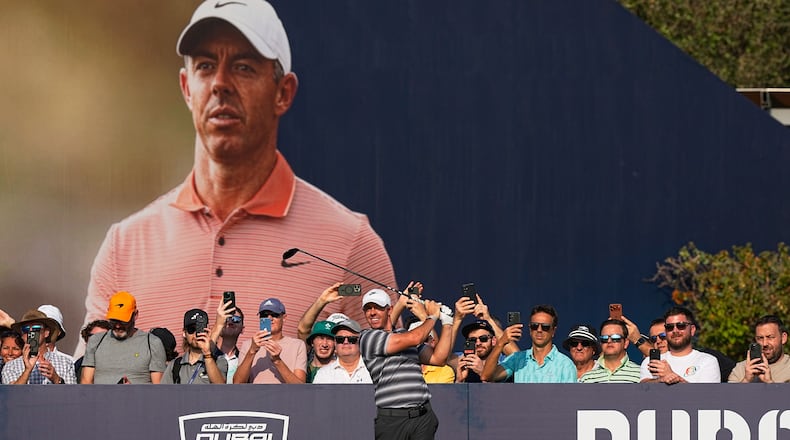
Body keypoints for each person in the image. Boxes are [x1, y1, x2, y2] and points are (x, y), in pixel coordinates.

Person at [76, 0, 397, 358]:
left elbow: (392, 384)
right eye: (205, 66)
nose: (220, 83)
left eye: (243, 67)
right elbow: (86, 389)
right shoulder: (124, 249)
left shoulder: (351, 247)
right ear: (186, 87)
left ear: (283, 93)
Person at [358, 287, 454, 439]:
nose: (372, 312)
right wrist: (432, 316)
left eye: (378, 308)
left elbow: (438, 359)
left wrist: (447, 323)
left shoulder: (404, 333)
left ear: (389, 310)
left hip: (422, 417)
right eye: (368, 309)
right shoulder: (367, 337)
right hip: (392, 421)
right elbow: (415, 338)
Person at [80, 291, 167, 384]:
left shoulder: (152, 343)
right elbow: (86, 383)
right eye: (114, 320)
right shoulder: (95, 341)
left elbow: (159, 388)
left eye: (123, 321)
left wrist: (134, 390)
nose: (117, 326)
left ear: (135, 315)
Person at [481, 304, 576, 383]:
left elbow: (570, 398)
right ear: (530, 329)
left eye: (545, 327)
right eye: (535, 326)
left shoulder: (565, 365)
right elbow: (486, 376)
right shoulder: (517, 359)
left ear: (553, 331)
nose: (539, 330)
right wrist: (501, 343)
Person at [233, 298, 307, 383]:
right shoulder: (248, 345)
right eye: (264, 315)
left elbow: (300, 386)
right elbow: (237, 383)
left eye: (274, 314)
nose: (269, 318)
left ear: (284, 318)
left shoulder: (297, 345)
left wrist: (277, 361)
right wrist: (252, 351)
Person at [640, 306, 720, 384]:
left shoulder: (707, 361)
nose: (675, 331)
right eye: (669, 327)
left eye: (681, 325)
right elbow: (643, 388)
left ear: (692, 330)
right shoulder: (650, 362)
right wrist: (661, 380)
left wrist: (673, 377)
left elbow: (708, 393)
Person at [2, 310, 77, 384]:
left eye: (36, 328)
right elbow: (12, 391)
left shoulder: (65, 363)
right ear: (22, 335)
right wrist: (27, 370)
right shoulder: (11, 366)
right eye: (26, 329)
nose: (31, 332)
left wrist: (56, 379)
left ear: (46, 333)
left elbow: (72, 391)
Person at [162, 309, 228, 384]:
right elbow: (163, 390)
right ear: (184, 333)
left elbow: (220, 386)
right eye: (191, 329)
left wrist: (207, 354)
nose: (196, 334)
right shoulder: (175, 365)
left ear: (207, 330)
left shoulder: (219, 361)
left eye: (200, 329)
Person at [728, 315, 790, 383]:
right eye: (760, 338)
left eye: (770, 337)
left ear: (783, 338)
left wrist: (770, 383)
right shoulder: (740, 369)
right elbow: (730, 390)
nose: (765, 343)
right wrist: (746, 380)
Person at [580, 319, 641, 383]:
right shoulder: (586, 378)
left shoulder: (640, 374)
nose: (609, 341)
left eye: (615, 338)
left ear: (626, 343)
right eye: (604, 338)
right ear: (600, 343)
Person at [313, 318, 372, 384]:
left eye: (352, 339)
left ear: (361, 341)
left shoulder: (374, 369)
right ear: (335, 343)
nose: (345, 342)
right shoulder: (323, 374)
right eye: (340, 339)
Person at [209, 299, 244, 383]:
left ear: (242, 329)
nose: (230, 322)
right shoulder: (205, 354)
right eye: (226, 318)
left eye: (236, 319)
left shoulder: (244, 359)